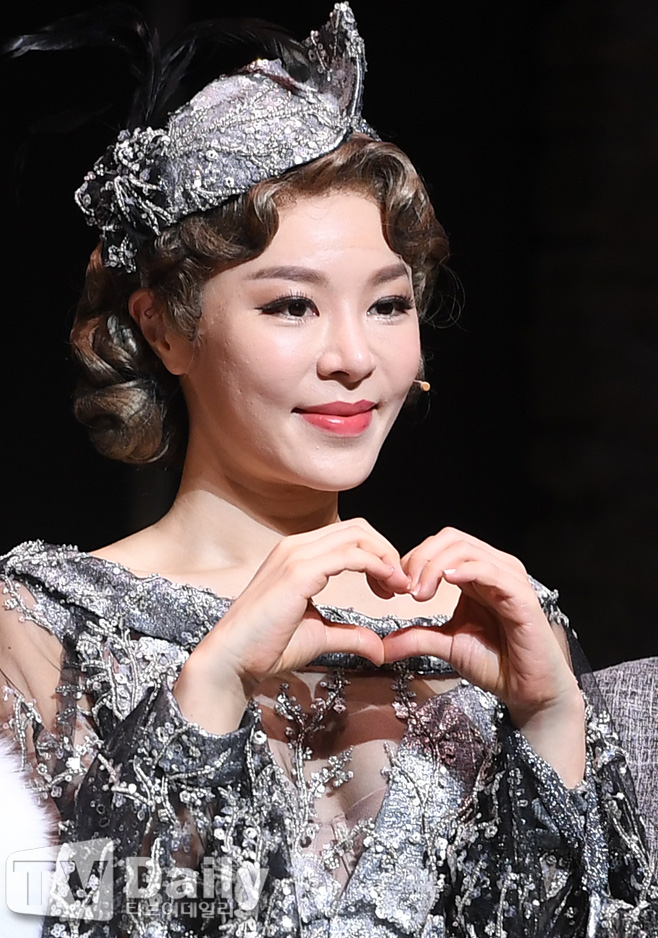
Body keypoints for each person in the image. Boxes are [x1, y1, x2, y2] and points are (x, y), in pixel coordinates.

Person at [0, 4, 655, 937]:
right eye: (292, 307)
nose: (353, 357)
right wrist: (205, 698)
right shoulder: (41, 634)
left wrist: (552, 726)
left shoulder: (501, 631)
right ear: (166, 327)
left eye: (388, 305)